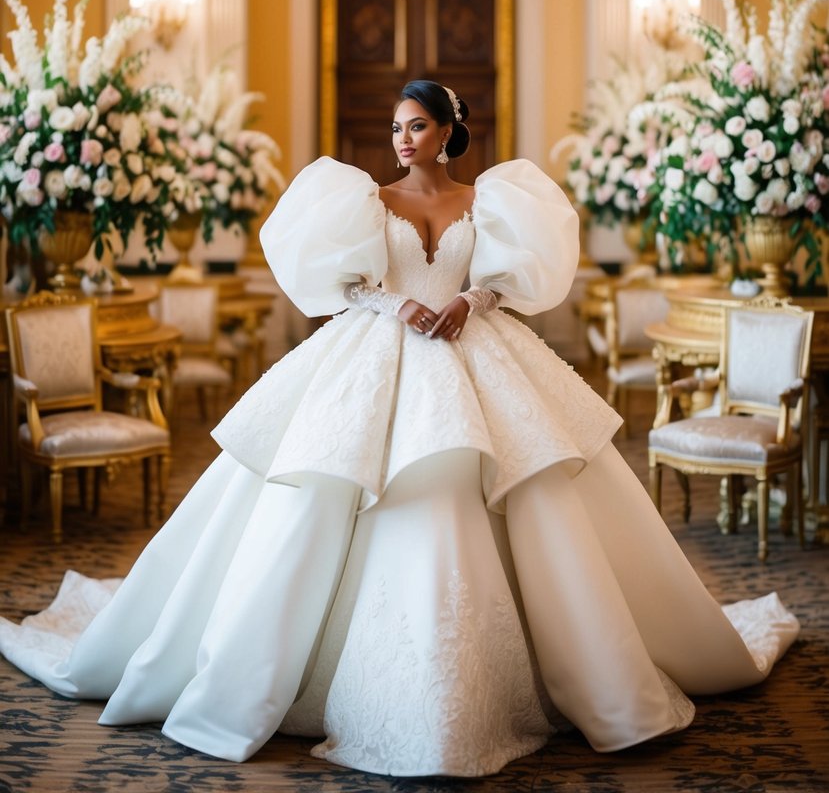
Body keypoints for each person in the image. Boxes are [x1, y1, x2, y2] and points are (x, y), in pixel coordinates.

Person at [0, 80, 799, 777]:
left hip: (473, 346)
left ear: (448, 131)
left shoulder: (488, 200)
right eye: (394, 127)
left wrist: (469, 301)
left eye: (415, 125)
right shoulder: (364, 200)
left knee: (520, 486)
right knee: (320, 495)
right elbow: (343, 286)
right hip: (377, 350)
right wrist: (394, 301)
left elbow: (505, 283)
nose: (401, 138)